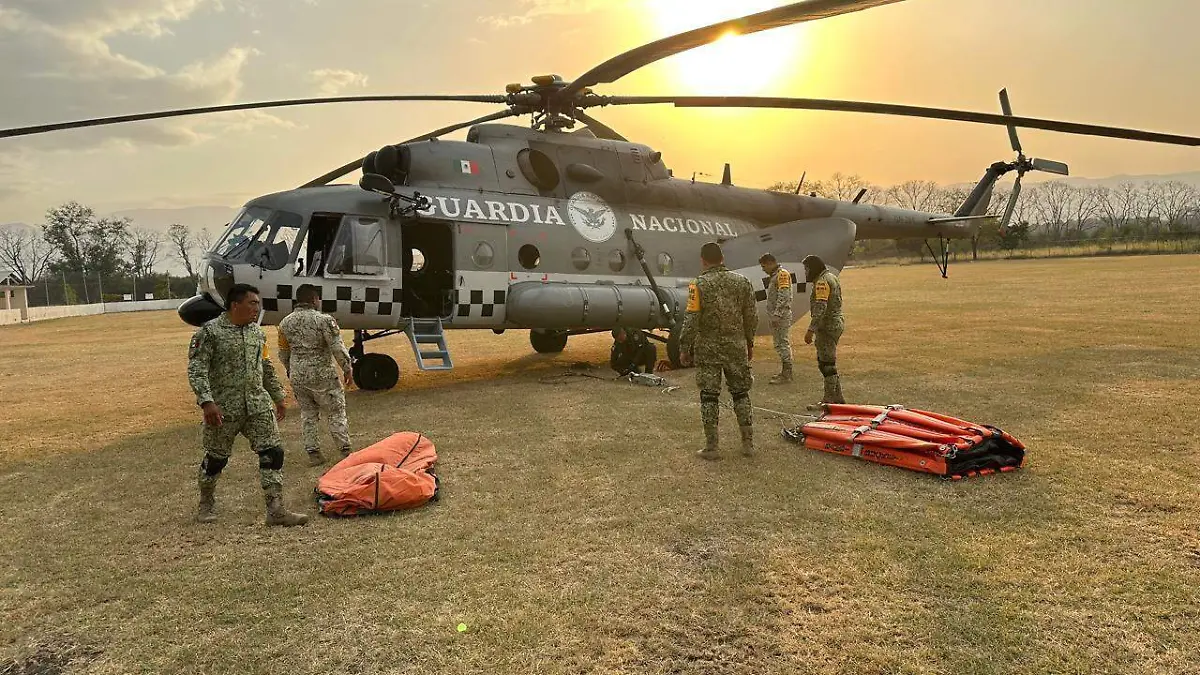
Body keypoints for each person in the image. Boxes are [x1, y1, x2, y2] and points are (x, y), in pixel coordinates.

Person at [187, 283, 308, 526]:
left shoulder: (256, 333)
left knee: (273, 452)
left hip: (257, 405)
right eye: (252, 303)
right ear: (235, 305)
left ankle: (275, 510)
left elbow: (264, 366)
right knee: (216, 459)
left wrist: (278, 396)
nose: (257, 308)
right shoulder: (210, 333)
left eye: (257, 303)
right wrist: (207, 402)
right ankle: (206, 502)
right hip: (224, 409)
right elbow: (197, 370)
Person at [678, 242, 758, 459]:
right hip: (736, 347)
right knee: (741, 393)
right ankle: (748, 443)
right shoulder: (742, 282)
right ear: (722, 258)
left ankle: (712, 447)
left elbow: (691, 319)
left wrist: (684, 347)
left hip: (708, 349)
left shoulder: (698, 285)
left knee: (709, 396)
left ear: (703, 260)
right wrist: (749, 342)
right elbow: (751, 316)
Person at [277, 284, 354, 466]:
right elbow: (337, 346)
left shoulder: (284, 323)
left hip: (298, 375)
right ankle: (345, 450)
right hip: (322, 374)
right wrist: (347, 367)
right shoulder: (324, 320)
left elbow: (283, 352)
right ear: (313, 299)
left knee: (308, 414)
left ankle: (313, 452)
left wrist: (290, 369)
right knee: (335, 411)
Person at [802, 255, 846, 404]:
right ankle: (837, 397)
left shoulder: (822, 282)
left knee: (826, 364)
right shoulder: (831, 277)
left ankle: (829, 399)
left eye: (806, 269)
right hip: (835, 322)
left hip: (827, 326)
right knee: (828, 362)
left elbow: (821, 307)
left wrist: (811, 329)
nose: (805, 272)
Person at [758, 252, 794, 384]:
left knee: (782, 343)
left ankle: (787, 374)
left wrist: (777, 315)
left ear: (770, 263)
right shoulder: (775, 276)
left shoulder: (782, 275)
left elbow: (784, 296)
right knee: (779, 344)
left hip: (780, 316)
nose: (763, 269)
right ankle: (785, 372)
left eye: (764, 266)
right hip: (777, 316)